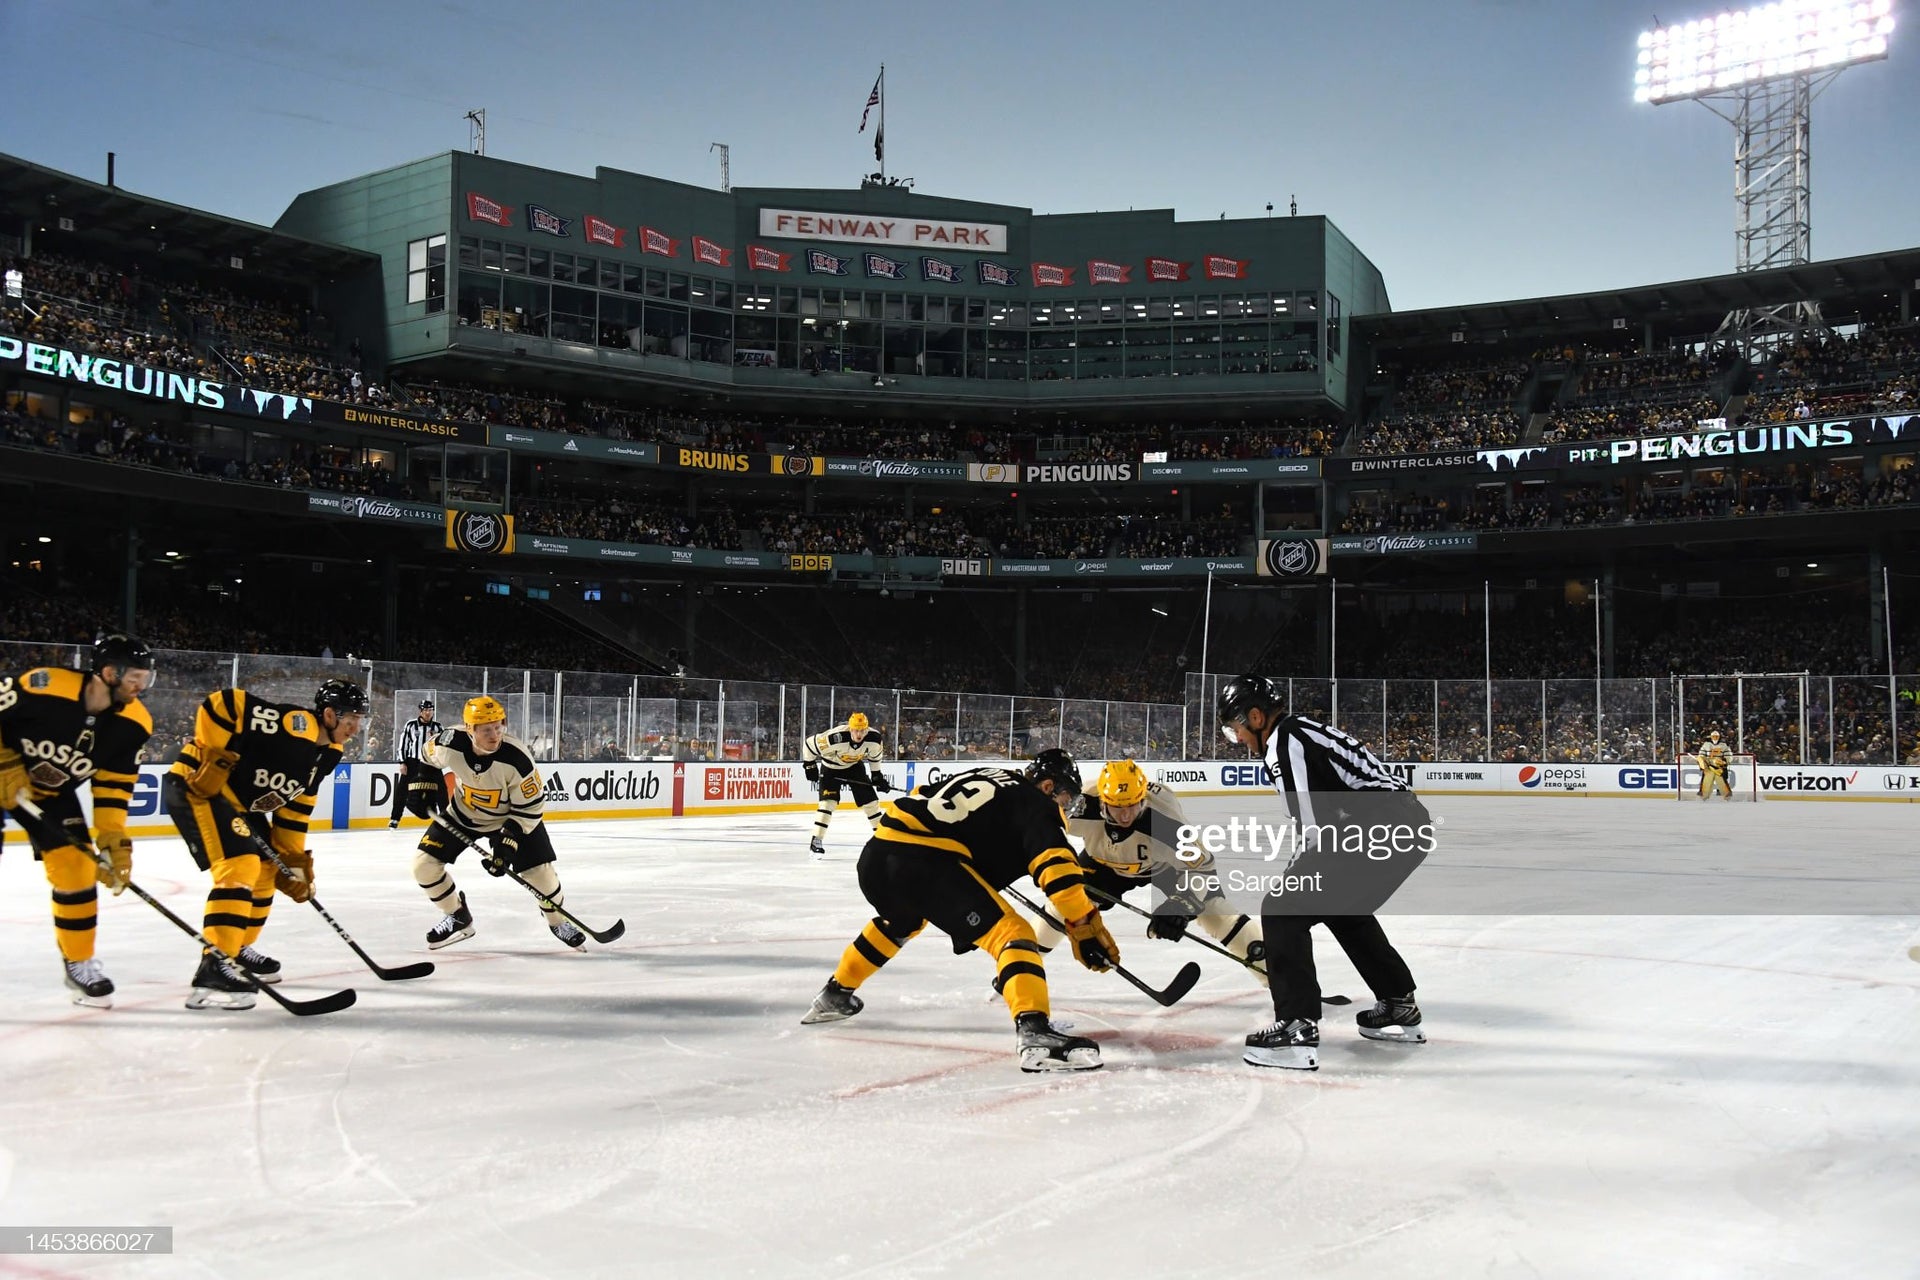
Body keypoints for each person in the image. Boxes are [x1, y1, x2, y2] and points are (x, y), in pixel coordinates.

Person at [800, 749, 1120, 1072]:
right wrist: (1083, 924)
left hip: (878, 855)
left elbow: (922, 796)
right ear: (1049, 786)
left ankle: (836, 993)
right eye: (1067, 797)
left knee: (901, 922)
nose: (1067, 807)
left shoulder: (988, 774)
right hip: (926, 862)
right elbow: (1059, 874)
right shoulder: (1038, 804)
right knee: (1014, 934)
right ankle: (1035, 1032)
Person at [1217, 674, 1428, 1071]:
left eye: (1236, 730)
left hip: (1377, 824)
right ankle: (1399, 1003)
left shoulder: (1286, 741)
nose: (1239, 739)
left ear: (1257, 716)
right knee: (1342, 909)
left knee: (1281, 907)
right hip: (1407, 825)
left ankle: (1296, 1026)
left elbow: (1314, 827)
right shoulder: (1300, 733)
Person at [165, 678, 367, 1010]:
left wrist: (294, 861)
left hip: (241, 805)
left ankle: (237, 949)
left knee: (267, 869)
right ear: (329, 715)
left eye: (360, 720)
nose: (356, 728)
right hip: (199, 787)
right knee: (239, 865)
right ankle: (215, 965)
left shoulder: (329, 753)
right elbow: (224, 704)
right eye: (352, 719)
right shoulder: (294, 727)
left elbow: (296, 807)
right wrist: (213, 755)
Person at [0, 634, 156, 1007]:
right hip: (4, 771)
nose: (140, 686)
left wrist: (113, 837)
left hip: (50, 793)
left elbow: (113, 788)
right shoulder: (44, 686)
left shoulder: (134, 723)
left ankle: (79, 961)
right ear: (108, 672)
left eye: (145, 678)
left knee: (77, 868)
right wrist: (6, 763)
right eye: (134, 677)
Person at [1026, 758, 1267, 987]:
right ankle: (1021, 967)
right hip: (1103, 865)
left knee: (1219, 914)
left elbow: (1203, 868)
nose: (1125, 816)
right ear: (1101, 802)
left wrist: (1181, 904)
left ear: (1143, 798)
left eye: (1133, 805)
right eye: (1117, 807)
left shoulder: (1165, 822)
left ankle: (1278, 979)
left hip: (1165, 868)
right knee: (1064, 903)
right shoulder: (1079, 806)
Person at [412, 695, 584, 950]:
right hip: (463, 814)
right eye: (486, 729)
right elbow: (427, 757)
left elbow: (530, 807)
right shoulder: (449, 742)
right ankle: (457, 916)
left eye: (498, 726)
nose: (494, 735)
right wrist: (421, 784)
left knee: (542, 876)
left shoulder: (517, 759)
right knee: (423, 866)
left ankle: (558, 921)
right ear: (470, 729)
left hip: (510, 819)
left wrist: (508, 841)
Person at [800, 710, 891, 859]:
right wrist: (809, 765)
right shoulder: (834, 738)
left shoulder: (874, 739)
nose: (859, 734)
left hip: (854, 767)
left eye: (862, 730)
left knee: (871, 803)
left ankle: (884, 840)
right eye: (856, 730)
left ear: (867, 729)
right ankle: (816, 841)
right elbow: (809, 744)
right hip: (830, 768)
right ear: (850, 728)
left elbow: (875, 758)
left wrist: (877, 776)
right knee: (827, 804)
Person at [389, 699, 445, 828]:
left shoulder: (438, 727)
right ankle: (395, 818)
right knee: (402, 790)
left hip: (431, 763)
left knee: (441, 790)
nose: (428, 713)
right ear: (420, 711)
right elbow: (403, 744)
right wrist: (402, 762)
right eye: (425, 710)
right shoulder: (411, 725)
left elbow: (443, 746)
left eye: (430, 710)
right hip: (413, 761)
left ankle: (443, 817)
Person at [1695, 729, 1733, 800]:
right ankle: (1704, 795)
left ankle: (1727, 795)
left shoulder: (1723, 746)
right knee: (1706, 780)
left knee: (1722, 780)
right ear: (1711, 737)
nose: (1715, 738)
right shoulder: (1706, 745)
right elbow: (1701, 755)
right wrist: (1703, 762)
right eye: (1713, 736)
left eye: (1716, 737)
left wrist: (1725, 761)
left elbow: (1729, 756)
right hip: (1709, 767)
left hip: (1719, 767)